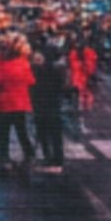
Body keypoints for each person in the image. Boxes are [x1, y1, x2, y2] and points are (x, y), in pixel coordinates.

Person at [0, 38, 36, 175]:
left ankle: (4, 158)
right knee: (22, 131)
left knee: (3, 133)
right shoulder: (24, 64)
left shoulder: (0, 66)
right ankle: (29, 154)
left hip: (4, 103)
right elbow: (31, 81)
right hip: (20, 103)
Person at [33, 41, 70, 174]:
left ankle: (48, 157)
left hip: (41, 105)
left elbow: (33, 86)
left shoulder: (39, 69)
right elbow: (64, 87)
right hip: (54, 105)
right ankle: (57, 159)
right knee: (55, 135)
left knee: (43, 133)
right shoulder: (59, 70)